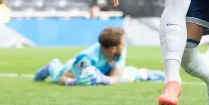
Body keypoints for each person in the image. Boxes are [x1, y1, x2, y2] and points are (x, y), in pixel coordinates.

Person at [33, 27, 164, 86]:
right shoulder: (86, 59)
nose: (125, 46)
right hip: (72, 70)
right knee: (56, 74)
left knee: (131, 74)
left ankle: (164, 77)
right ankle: (52, 66)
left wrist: (102, 79)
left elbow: (115, 77)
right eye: (123, 44)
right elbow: (63, 78)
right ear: (113, 49)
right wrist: (75, 82)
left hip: (102, 72)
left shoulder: (119, 51)